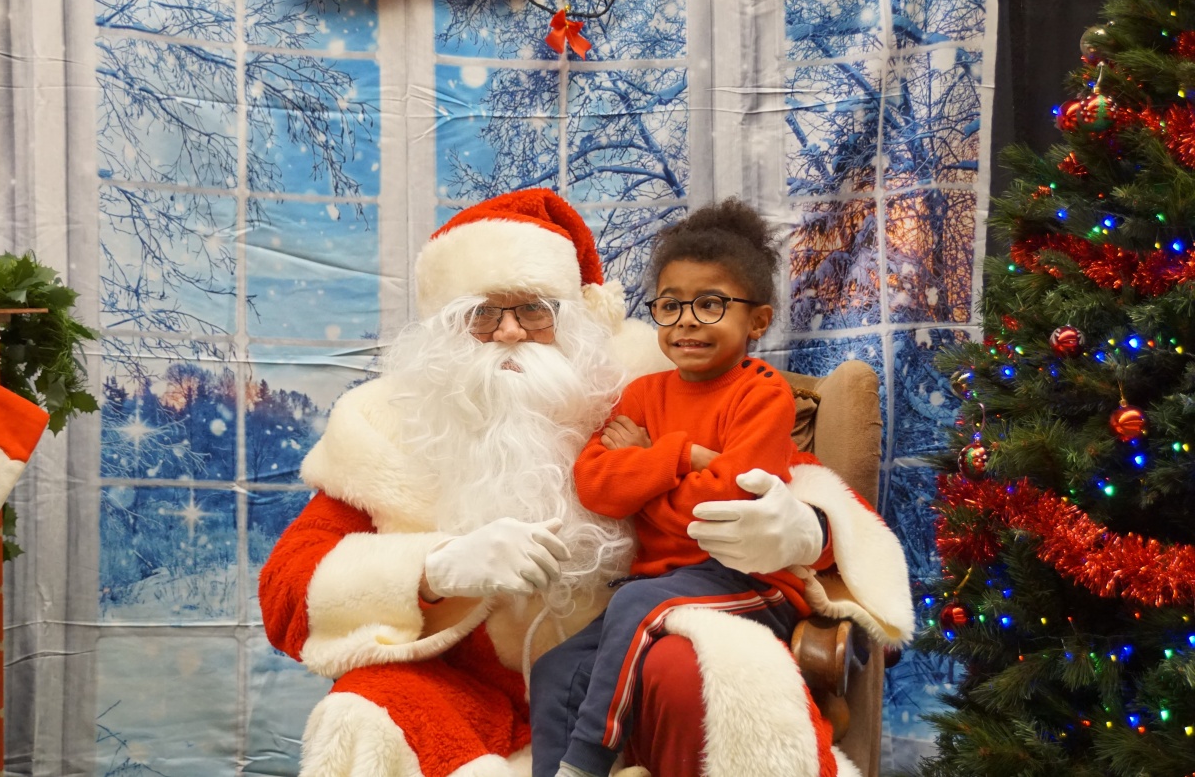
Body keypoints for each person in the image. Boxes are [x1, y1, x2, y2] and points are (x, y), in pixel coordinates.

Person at [257, 188, 914, 777]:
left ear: (570, 318)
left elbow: (786, 479)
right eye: (483, 314)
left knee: (697, 672)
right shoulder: (389, 425)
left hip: (629, 687)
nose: (509, 332)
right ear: (446, 331)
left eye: (533, 310)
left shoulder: (629, 382)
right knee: (361, 713)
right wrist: (435, 568)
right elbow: (288, 587)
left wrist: (808, 531)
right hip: (466, 697)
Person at [530, 200, 832, 777]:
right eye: (670, 305)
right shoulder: (643, 395)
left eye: (710, 304)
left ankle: (586, 760)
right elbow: (595, 486)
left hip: (749, 583)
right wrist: (684, 457)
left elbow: (725, 511)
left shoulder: (762, 395)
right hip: (657, 587)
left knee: (634, 602)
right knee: (556, 670)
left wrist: (645, 467)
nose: (686, 321)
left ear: (758, 321)